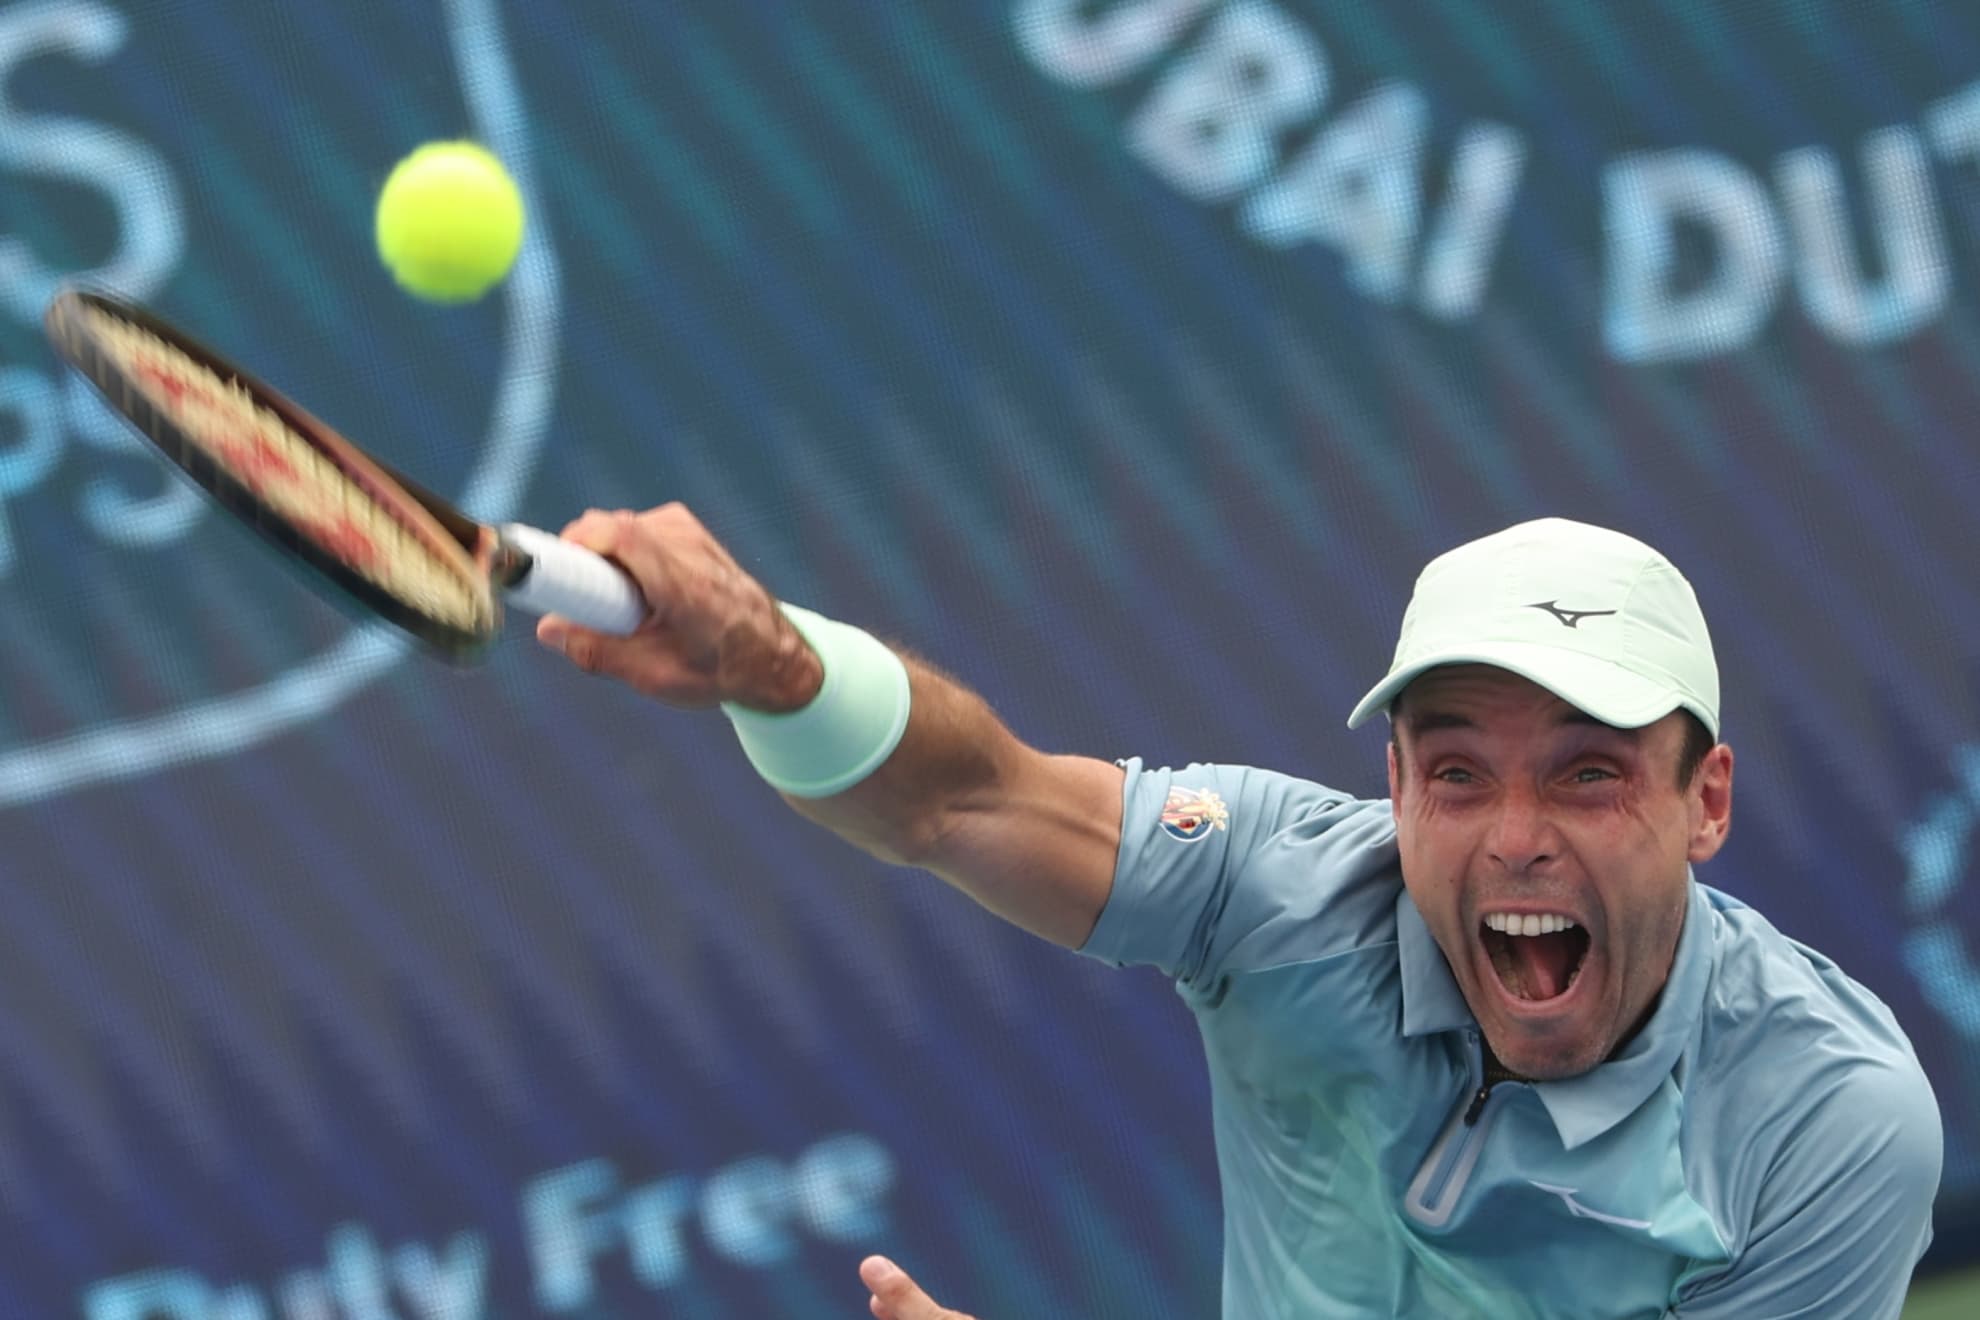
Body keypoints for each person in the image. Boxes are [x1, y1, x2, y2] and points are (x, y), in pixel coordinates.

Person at [534, 507, 1942, 1318]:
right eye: (1457, 774)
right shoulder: (1286, 890)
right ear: (1392, 785)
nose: (1515, 838)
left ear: (1707, 802)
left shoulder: (1824, 1120)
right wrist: (772, 665)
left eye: (1588, 774)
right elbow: (965, 802)